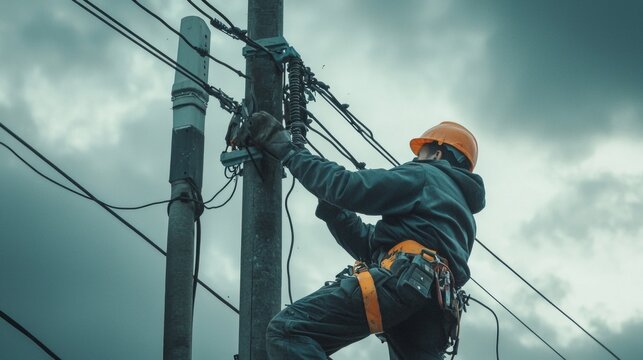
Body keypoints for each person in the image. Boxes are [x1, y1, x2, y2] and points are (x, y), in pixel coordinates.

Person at [238, 111, 486, 359]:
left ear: (437, 153)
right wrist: (331, 206)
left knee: (289, 331)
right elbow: (372, 247)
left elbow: (347, 187)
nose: (414, 159)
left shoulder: (427, 175)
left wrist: (288, 150)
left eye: (419, 154)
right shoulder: (463, 217)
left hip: (405, 282)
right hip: (435, 309)